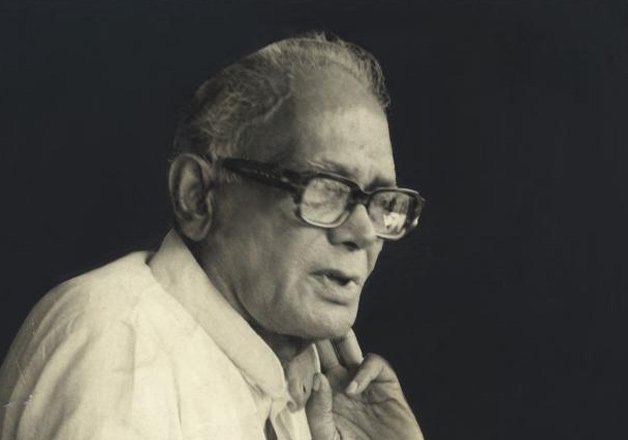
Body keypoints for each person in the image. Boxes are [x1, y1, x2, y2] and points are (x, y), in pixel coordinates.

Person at [0, 33, 426, 440]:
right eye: (326, 189)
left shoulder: (297, 376)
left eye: (382, 201)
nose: (364, 233)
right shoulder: (118, 343)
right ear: (198, 197)